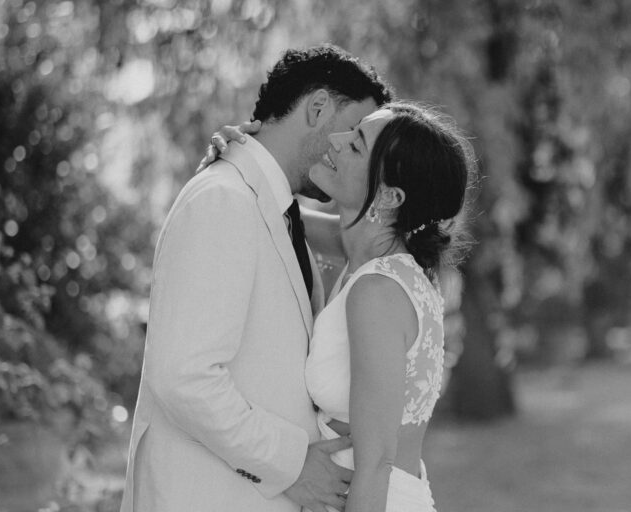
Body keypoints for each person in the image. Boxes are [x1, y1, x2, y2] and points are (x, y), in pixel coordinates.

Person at [120, 44, 393, 512]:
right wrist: (291, 464)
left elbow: (371, 238)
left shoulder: (276, 208)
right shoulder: (222, 200)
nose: (353, 153)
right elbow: (184, 377)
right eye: (352, 132)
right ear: (318, 107)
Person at [208, 102, 475, 512]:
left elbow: (376, 466)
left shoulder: (377, 291)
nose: (336, 140)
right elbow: (270, 210)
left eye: (356, 145)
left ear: (389, 195)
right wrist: (238, 160)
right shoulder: (372, 256)